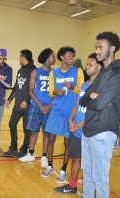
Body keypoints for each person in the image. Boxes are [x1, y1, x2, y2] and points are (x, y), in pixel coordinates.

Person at [80, 32, 120, 198]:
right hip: (88, 130)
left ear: (111, 49)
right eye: (96, 47)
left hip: (103, 131)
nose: (96, 50)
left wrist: (96, 97)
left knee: (100, 178)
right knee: (88, 174)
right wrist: (92, 95)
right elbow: (83, 98)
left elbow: (100, 103)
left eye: (100, 47)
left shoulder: (117, 72)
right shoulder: (102, 71)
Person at [55, 53, 101, 194]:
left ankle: (91, 191)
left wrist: (80, 124)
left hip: (89, 130)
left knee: (90, 164)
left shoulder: (100, 88)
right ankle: (73, 185)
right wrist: (70, 120)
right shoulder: (83, 86)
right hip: (75, 129)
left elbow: (97, 111)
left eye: (90, 64)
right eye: (86, 64)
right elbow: (76, 105)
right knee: (75, 158)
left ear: (99, 67)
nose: (86, 67)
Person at [42, 46, 84, 183]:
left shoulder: (78, 72)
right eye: (69, 55)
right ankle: (49, 166)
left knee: (67, 142)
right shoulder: (53, 73)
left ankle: (63, 170)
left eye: (72, 56)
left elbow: (82, 92)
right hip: (56, 110)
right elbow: (50, 92)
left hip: (70, 112)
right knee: (51, 138)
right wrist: (55, 92)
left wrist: (72, 87)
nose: (71, 58)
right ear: (62, 57)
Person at [19, 48, 55, 169]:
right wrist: (41, 106)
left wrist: (48, 106)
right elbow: (30, 90)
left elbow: (56, 94)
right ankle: (31, 153)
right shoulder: (36, 72)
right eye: (52, 57)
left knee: (47, 133)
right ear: (46, 58)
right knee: (34, 131)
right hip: (36, 106)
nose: (54, 59)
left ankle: (44, 156)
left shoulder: (54, 74)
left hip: (49, 108)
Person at [3, 49, 36, 157]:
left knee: (26, 129)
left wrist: (26, 100)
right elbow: (17, 86)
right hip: (17, 105)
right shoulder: (21, 70)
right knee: (12, 124)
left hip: (28, 106)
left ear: (23, 57)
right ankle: (13, 148)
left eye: (20, 57)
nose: (19, 59)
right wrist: (10, 99)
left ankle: (23, 150)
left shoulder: (33, 70)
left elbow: (34, 88)